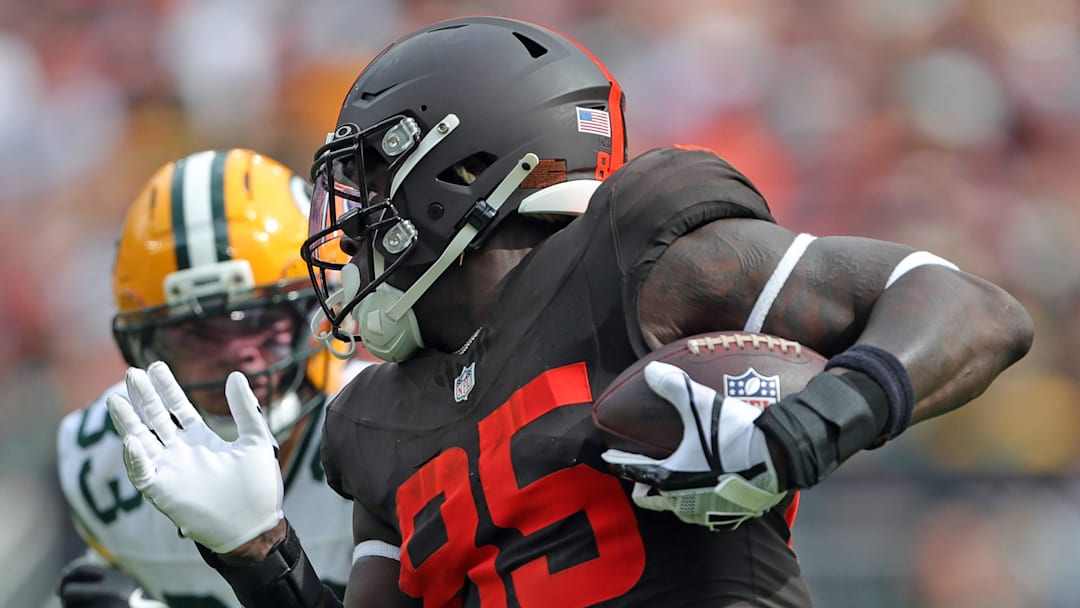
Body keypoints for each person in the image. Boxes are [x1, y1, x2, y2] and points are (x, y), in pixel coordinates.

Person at [103, 16, 1034, 608]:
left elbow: (971, 307)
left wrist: (813, 426)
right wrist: (259, 555)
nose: (350, 227)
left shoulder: (638, 255)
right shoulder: (374, 419)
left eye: (369, 185)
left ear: (459, 171)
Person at [56, 149, 372, 607]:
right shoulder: (104, 459)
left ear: (321, 309)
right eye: (195, 333)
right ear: (143, 345)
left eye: (262, 320)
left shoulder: (381, 434)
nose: (236, 354)